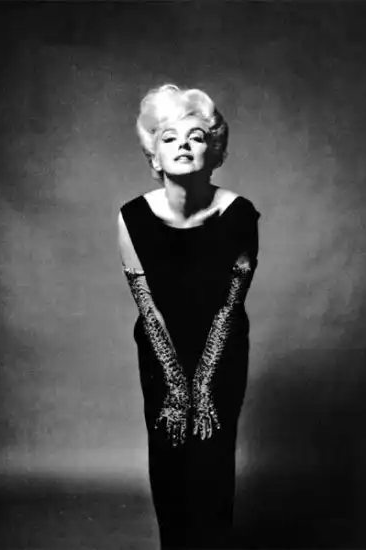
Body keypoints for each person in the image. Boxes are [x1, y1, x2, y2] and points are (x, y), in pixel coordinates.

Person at [118, 84, 260, 549]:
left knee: (212, 459)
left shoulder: (240, 214)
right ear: (154, 156)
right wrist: (178, 389)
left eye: (195, 137)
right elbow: (148, 309)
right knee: (169, 459)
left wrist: (201, 387)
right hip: (161, 353)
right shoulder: (131, 217)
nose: (182, 145)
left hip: (221, 350)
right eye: (169, 138)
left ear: (213, 153)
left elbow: (228, 309)